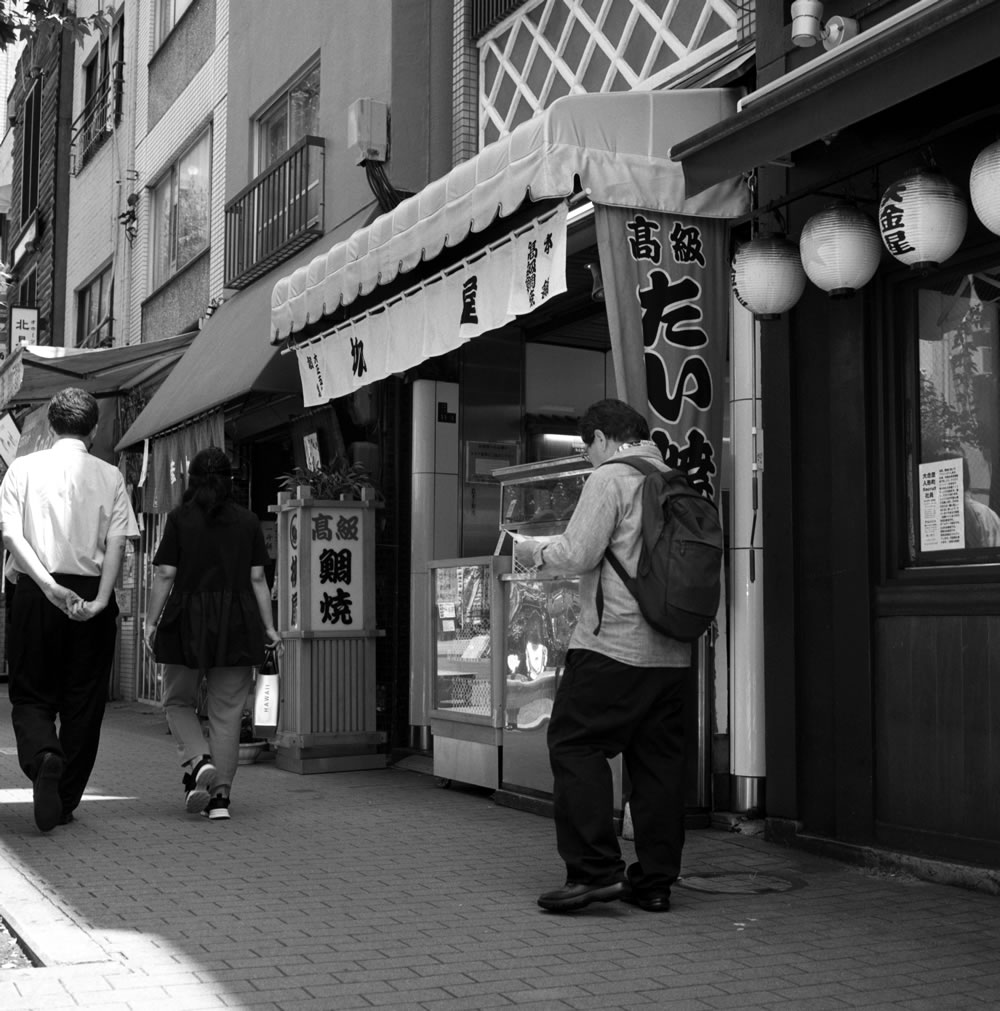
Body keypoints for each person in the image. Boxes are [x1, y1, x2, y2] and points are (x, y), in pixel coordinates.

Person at [514, 398, 691, 914]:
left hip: (613, 645)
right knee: (656, 765)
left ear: (599, 439)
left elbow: (578, 553)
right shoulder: (674, 478)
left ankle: (595, 872)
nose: (589, 458)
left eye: (587, 448)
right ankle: (655, 881)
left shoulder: (611, 478)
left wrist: (532, 552)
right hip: (672, 653)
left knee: (574, 745)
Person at [0, 387, 139, 832]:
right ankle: (62, 802)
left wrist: (45, 585)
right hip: (90, 595)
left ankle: (44, 756)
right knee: (84, 702)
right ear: (94, 429)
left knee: (30, 694)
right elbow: (117, 542)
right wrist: (100, 600)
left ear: (50, 426)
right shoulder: (110, 476)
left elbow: (10, 536)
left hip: (33, 591)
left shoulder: (22, 468)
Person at [143, 446, 281, 821]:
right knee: (227, 714)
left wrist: (151, 621)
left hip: (186, 620)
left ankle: (198, 759)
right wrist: (268, 626)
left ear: (192, 481)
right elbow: (257, 578)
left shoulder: (179, 519)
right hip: (236, 624)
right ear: (228, 481)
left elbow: (165, 573)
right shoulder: (248, 521)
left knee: (177, 701)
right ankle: (220, 799)